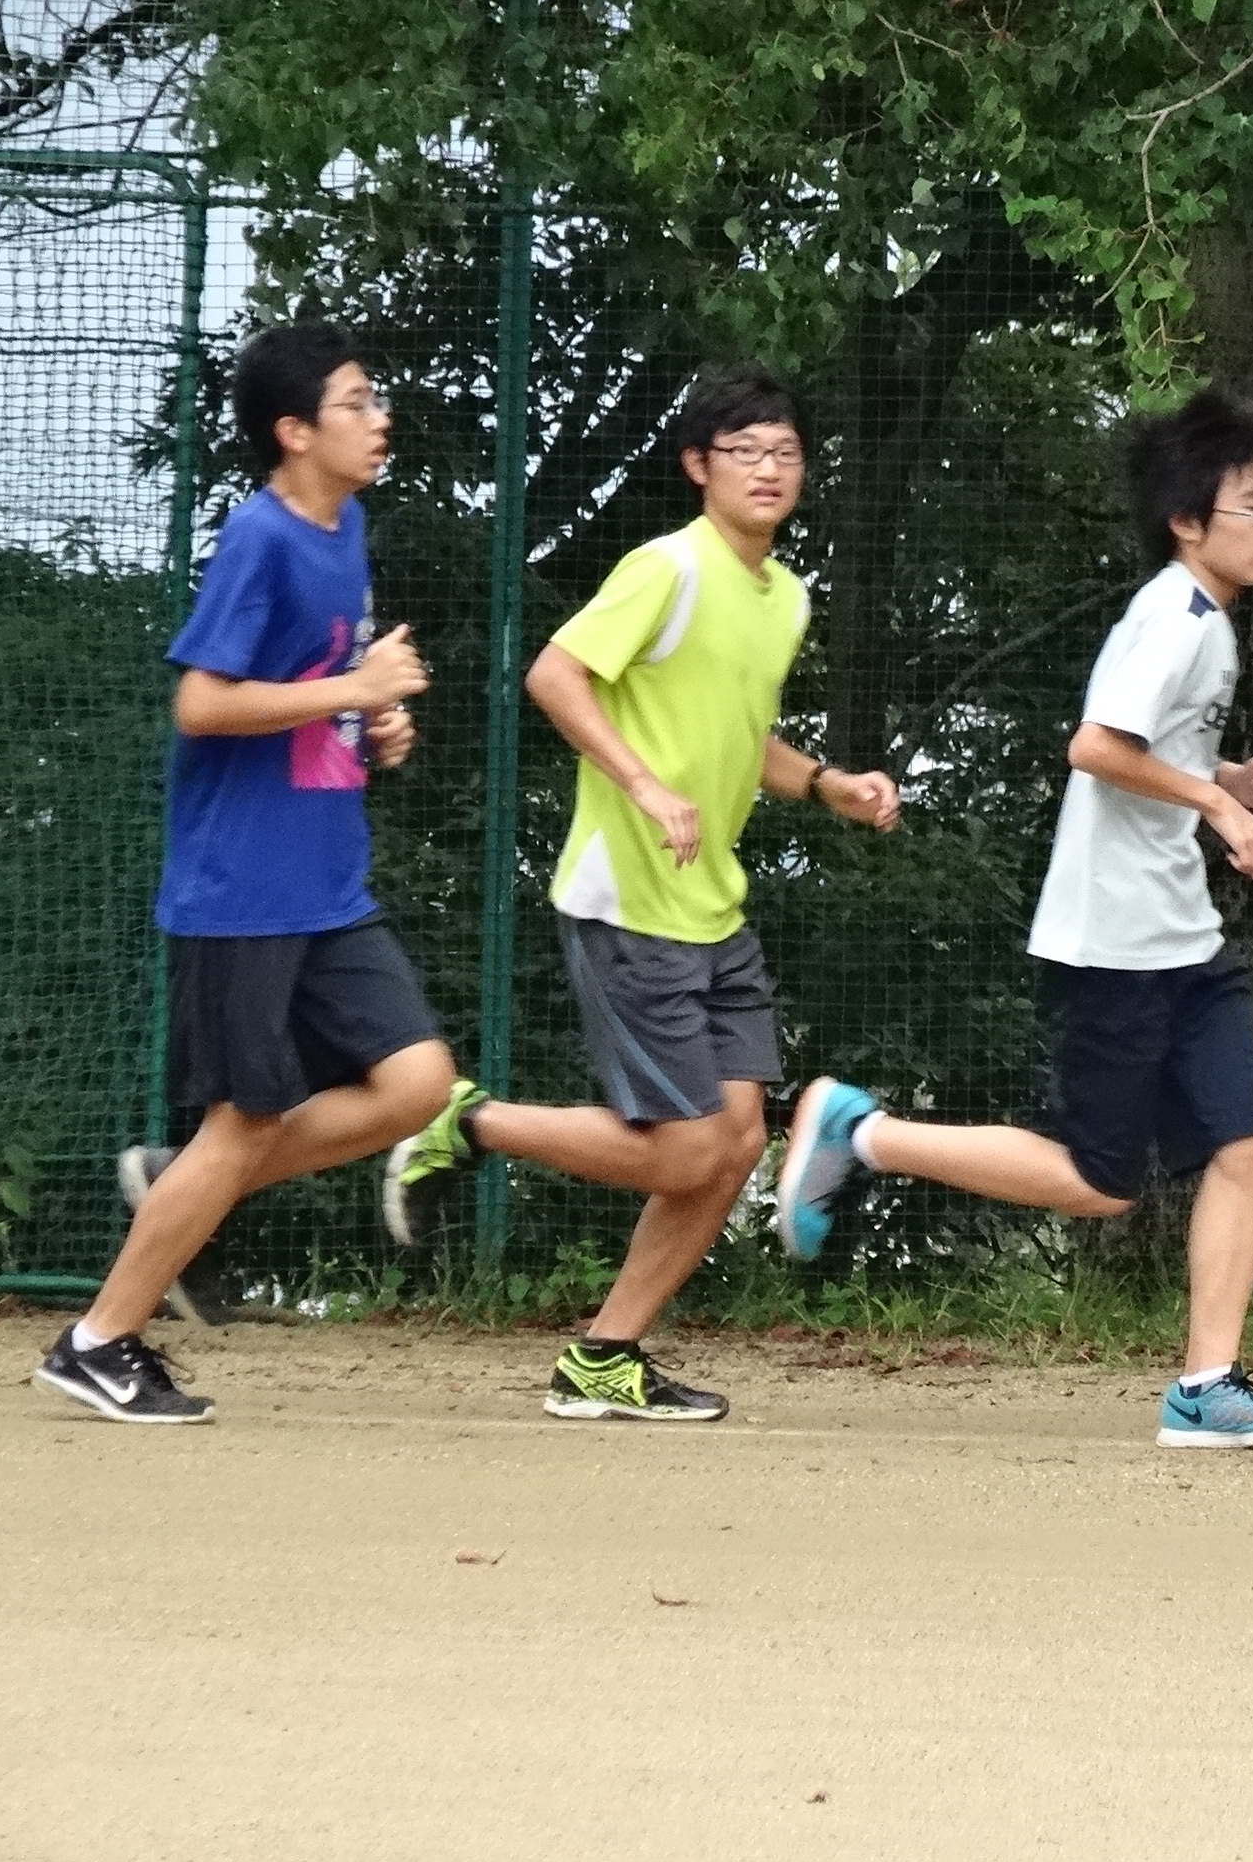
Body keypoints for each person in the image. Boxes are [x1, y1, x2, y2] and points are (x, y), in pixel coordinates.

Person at [769, 388, 1253, 1451]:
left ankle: (1207, 1388)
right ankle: (862, 1132)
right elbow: (1094, 746)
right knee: (1096, 1183)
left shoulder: (1202, 622)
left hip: (1180, 937)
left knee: (1252, 1141)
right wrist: (1215, 804)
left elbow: (1146, 748)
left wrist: (1227, 778)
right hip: (1113, 942)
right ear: (1188, 520)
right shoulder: (1174, 616)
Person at [381, 364, 899, 1420]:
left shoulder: (785, 596)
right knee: (687, 1149)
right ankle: (465, 1122)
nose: (767, 468)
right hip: (628, 901)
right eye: (744, 450)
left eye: (785, 452)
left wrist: (824, 784)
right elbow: (555, 676)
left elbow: (737, 730)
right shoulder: (667, 568)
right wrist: (644, 786)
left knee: (738, 1143)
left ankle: (604, 1356)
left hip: (714, 904)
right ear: (699, 466)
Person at [36, 322, 448, 1424]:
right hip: (243, 892)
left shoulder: (345, 524)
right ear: (294, 430)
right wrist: (352, 694)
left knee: (416, 1085)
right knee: (246, 1123)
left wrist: (372, 730)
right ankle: (97, 1339)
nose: (379, 417)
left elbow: (319, 696)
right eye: (357, 402)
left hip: (329, 884)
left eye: (376, 398)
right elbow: (203, 703)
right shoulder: (260, 541)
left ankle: (186, 1182)